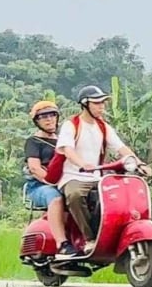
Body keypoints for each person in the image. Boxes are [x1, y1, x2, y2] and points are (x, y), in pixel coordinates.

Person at [54, 85, 147, 256]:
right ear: (85, 104)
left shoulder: (103, 127)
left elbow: (121, 148)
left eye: (103, 103)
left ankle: (112, 236)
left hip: (97, 178)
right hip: (74, 177)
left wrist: (139, 164)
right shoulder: (71, 124)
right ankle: (89, 239)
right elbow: (67, 149)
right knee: (75, 195)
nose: (101, 107)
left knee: (116, 198)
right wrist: (82, 164)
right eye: (97, 103)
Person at [23, 101, 73, 258]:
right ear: (36, 121)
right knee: (56, 197)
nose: (49, 119)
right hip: (40, 186)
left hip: (66, 182)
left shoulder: (64, 142)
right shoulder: (33, 142)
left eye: (52, 115)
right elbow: (34, 168)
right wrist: (54, 182)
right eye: (44, 117)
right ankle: (62, 244)